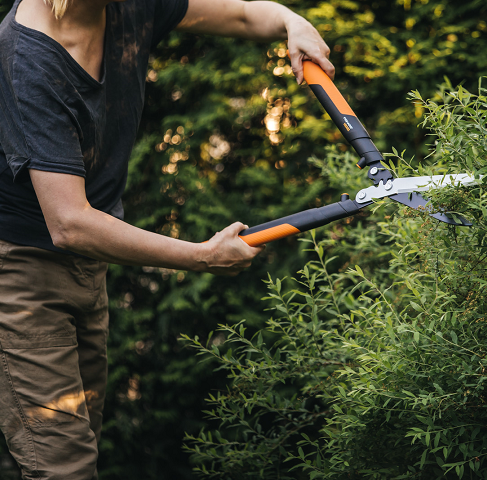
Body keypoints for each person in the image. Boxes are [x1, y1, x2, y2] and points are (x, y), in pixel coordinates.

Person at [0, 0, 334, 478]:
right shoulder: (25, 62)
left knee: (81, 445)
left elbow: (241, 16)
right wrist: (202, 256)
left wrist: (291, 22)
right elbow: (69, 223)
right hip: (22, 273)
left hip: (86, 266)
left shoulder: (128, 6)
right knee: (61, 467)